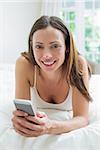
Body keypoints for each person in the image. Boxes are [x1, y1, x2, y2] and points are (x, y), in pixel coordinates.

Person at [12, 15, 92, 137]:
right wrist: (21, 121)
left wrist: (50, 127)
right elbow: (24, 114)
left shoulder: (78, 64)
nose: (47, 55)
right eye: (39, 46)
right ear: (32, 47)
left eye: (55, 46)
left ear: (66, 47)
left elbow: (82, 118)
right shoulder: (24, 64)